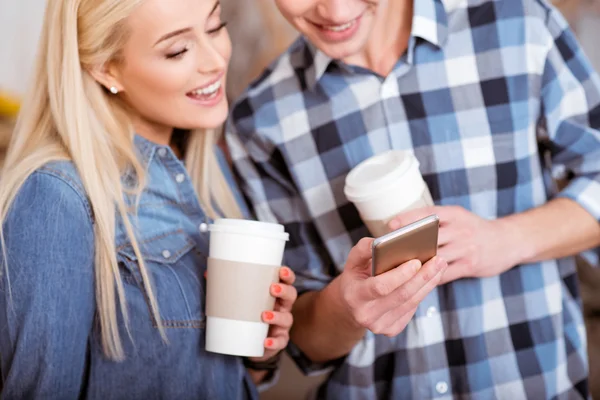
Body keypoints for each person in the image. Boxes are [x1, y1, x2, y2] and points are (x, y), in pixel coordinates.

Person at [226, 0, 600, 398]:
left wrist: (503, 239)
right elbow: (305, 340)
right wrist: (347, 308)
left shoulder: (518, 24)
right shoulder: (259, 121)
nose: (335, 12)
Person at [0, 0, 298, 398]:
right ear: (105, 68)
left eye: (214, 27)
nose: (214, 60)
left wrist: (261, 356)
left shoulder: (206, 169)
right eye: (177, 50)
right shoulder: (57, 198)